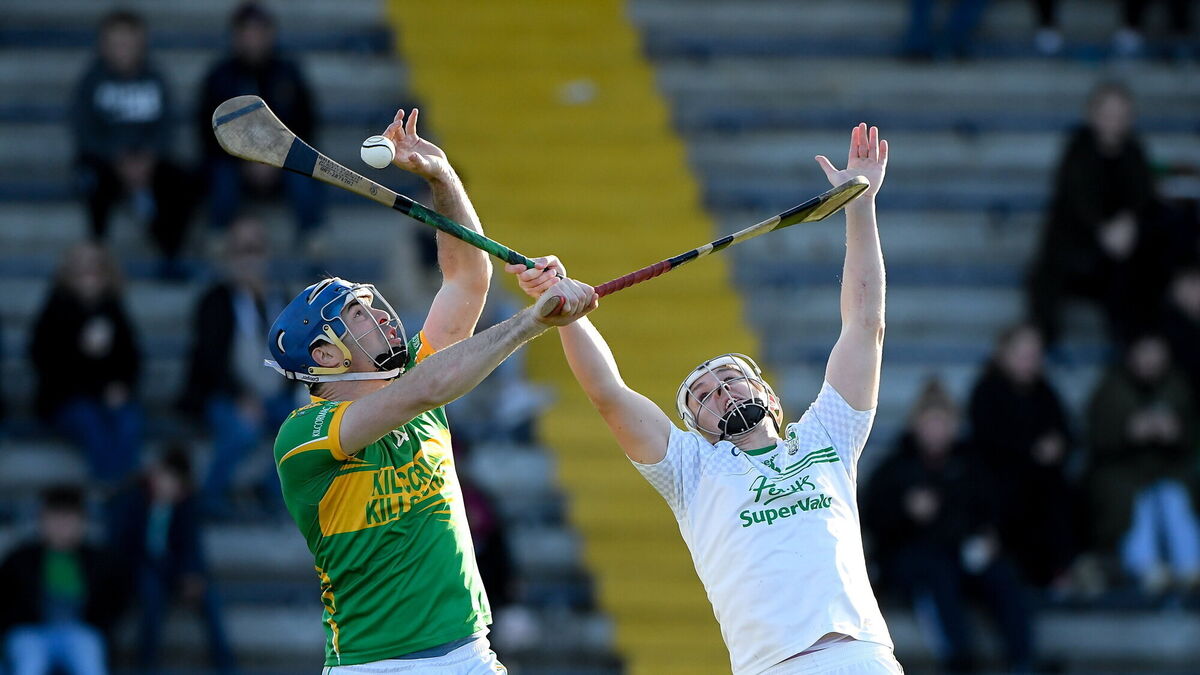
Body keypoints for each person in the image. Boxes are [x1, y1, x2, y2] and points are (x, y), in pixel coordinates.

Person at [508, 124, 899, 674]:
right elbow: (608, 394)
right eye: (703, 396)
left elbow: (865, 325)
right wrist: (566, 311)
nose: (721, 391)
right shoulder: (690, 470)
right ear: (697, 426)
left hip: (861, 655)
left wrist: (859, 205)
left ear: (766, 393)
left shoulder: (827, 436)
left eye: (731, 379)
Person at [268, 107, 597, 672]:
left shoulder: (413, 376)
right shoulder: (304, 437)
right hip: (375, 664)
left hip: (470, 652)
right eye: (358, 316)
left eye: (372, 304)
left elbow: (468, 278)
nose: (382, 315)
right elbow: (423, 393)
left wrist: (442, 178)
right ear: (324, 356)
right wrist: (532, 321)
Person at [866, 379, 1033, 673]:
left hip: (964, 555)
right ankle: (959, 659)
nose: (936, 430)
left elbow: (994, 511)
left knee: (1002, 576)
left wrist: (990, 537)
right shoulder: (895, 468)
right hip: (915, 562)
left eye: (942, 422)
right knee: (937, 577)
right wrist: (906, 511)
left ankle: (1022, 659)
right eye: (929, 422)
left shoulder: (971, 464)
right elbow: (872, 519)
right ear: (916, 425)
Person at [1027, 81, 1167, 347]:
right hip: (1075, 249)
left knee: (1146, 266)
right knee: (1044, 277)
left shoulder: (1134, 151)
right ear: (1091, 114)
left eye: (1121, 114)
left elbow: (1143, 196)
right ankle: (1042, 341)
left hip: (1119, 254)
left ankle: (1136, 346)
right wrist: (1103, 229)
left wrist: (1128, 223)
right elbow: (1076, 196)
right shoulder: (1077, 148)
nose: (1114, 120)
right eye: (1108, 113)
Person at [178, 215, 298, 514]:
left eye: (255, 249)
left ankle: (270, 490)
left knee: (310, 429)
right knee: (242, 429)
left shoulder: (281, 298)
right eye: (241, 250)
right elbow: (208, 361)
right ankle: (210, 496)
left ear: (267, 253)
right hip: (224, 395)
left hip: (275, 397)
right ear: (229, 256)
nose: (249, 259)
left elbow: (296, 353)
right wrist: (240, 396)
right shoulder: (214, 300)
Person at [71, 9, 196, 278]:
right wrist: (116, 159)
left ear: (142, 44)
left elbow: (166, 124)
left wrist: (149, 158)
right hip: (106, 162)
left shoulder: (154, 78)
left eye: (129, 43)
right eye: (117, 44)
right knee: (93, 183)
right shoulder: (92, 81)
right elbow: (84, 129)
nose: (123, 51)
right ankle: (98, 253)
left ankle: (171, 253)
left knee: (182, 183)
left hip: (149, 161)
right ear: (104, 46)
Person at [196, 1, 324, 240]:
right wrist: (246, 160)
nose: (253, 40)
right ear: (235, 36)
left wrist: (274, 161)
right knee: (221, 177)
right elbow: (208, 130)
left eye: (259, 32)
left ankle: (313, 236)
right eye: (247, 32)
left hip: (284, 161)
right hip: (233, 161)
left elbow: (305, 126)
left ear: (270, 34)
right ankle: (218, 237)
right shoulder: (220, 77)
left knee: (307, 175)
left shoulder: (289, 74)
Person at [1085, 333, 1200, 594]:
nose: (1150, 360)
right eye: (1144, 352)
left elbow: (1191, 435)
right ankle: (1145, 567)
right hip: (1122, 472)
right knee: (1135, 501)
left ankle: (1191, 567)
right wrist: (1128, 432)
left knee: (1175, 497)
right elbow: (1096, 438)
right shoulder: (1110, 388)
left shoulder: (1177, 386)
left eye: (1156, 352)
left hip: (1168, 470)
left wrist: (1175, 432)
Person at [966, 323, 1076, 588]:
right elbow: (988, 440)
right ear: (1004, 354)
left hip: (1043, 482)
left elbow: (1066, 432)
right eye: (1023, 355)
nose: (1030, 362)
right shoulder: (986, 391)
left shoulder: (1045, 392)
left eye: (1035, 355)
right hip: (998, 479)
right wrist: (1031, 450)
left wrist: (1057, 446)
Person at [107, 446, 235, 672]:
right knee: (151, 596)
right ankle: (147, 663)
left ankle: (225, 664)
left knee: (209, 597)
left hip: (174, 570)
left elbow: (192, 545)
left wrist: (192, 574)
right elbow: (122, 544)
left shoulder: (185, 506)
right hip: (141, 568)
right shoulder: (134, 499)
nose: (166, 485)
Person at [29, 241, 143, 484]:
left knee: (129, 422)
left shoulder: (113, 310)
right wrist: (81, 349)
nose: (88, 276)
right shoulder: (55, 310)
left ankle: (122, 485)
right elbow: (44, 363)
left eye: (95, 269)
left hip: (108, 396)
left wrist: (121, 387)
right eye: (80, 269)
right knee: (92, 424)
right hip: (66, 399)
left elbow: (131, 359)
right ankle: (110, 486)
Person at [0, 485, 128, 675]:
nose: (61, 525)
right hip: (30, 632)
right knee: (29, 665)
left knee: (90, 663)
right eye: (55, 518)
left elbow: (117, 599)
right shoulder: (19, 558)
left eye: (68, 518)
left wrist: (98, 623)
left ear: (81, 522)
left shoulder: (100, 561)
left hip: (79, 631)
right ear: (42, 521)